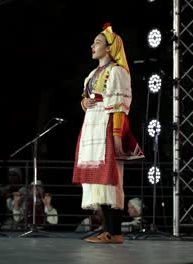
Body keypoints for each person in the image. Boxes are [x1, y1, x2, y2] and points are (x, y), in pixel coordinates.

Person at [72, 23, 143, 244]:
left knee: (111, 180)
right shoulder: (93, 74)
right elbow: (87, 97)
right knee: (97, 181)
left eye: (98, 42)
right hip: (92, 128)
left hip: (106, 129)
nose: (93, 46)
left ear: (110, 48)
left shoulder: (118, 72)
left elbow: (120, 106)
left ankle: (115, 232)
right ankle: (106, 230)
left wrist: (116, 137)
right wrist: (84, 102)